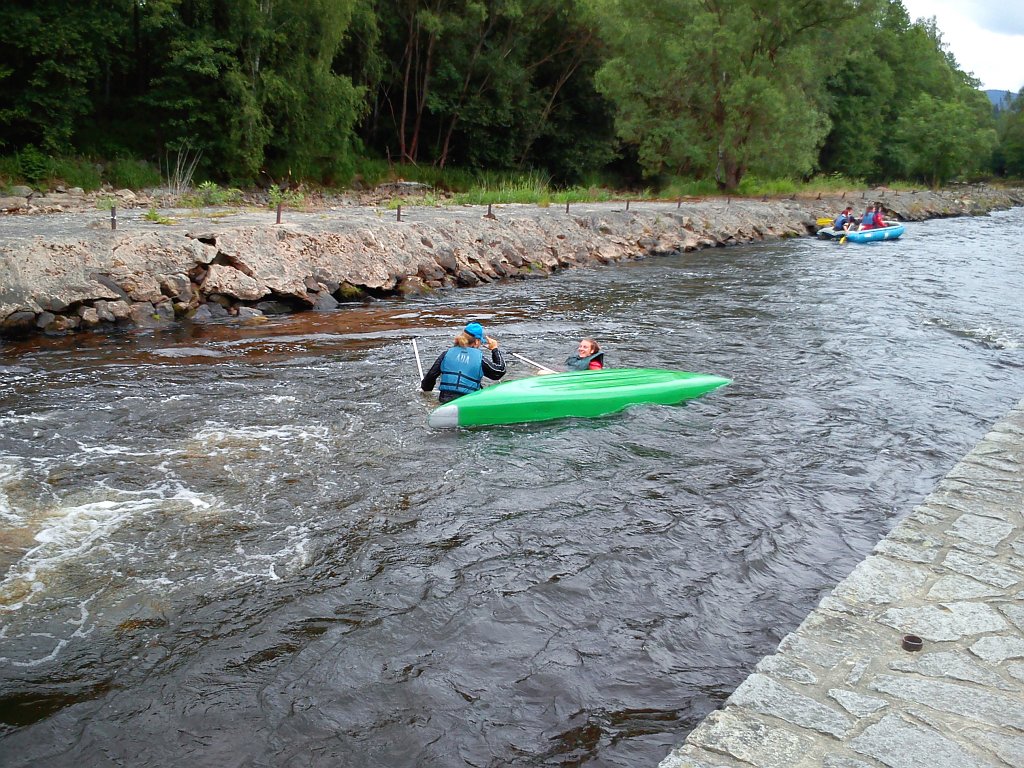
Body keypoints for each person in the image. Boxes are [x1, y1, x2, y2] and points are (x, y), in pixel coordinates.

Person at [421, 321, 506, 403]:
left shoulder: (446, 354)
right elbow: (499, 372)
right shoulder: (479, 359)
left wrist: (428, 396)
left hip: (445, 402)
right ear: (476, 342)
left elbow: (429, 379)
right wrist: (495, 349)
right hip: (467, 403)